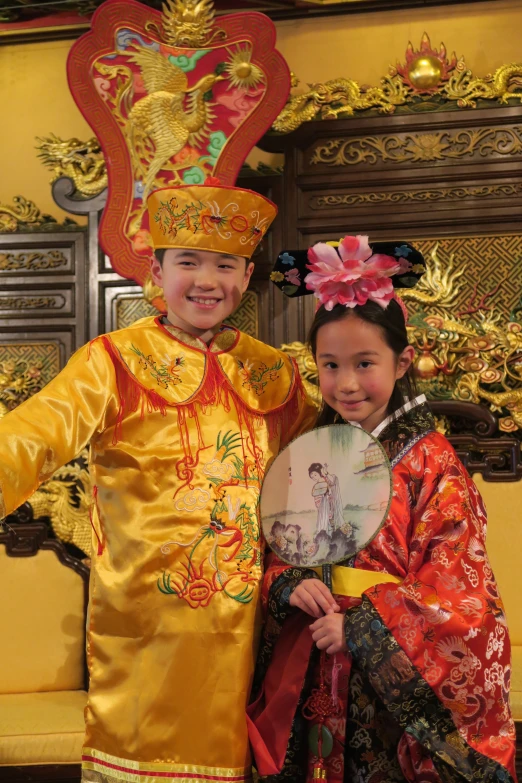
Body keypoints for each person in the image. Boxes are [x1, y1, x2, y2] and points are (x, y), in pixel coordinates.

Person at [0, 179, 317, 783]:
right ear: (158, 269)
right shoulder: (112, 360)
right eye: (188, 262)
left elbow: (316, 468)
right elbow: (36, 432)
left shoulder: (274, 374)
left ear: (245, 278)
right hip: (147, 630)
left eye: (224, 265)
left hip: (254, 628)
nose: (206, 280)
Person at [249, 235, 517, 782]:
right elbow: (283, 546)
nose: (345, 385)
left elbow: (460, 593)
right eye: (329, 365)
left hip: (390, 675)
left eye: (364, 362)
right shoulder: (313, 451)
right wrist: (290, 582)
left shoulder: (431, 463)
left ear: (403, 362)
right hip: (318, 667)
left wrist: (366, 626)